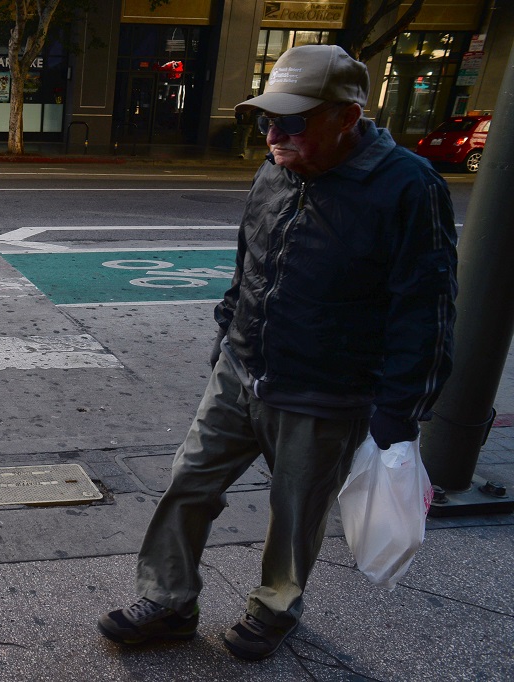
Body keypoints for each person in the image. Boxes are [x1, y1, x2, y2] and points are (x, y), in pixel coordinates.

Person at [97, 45, 457, 661]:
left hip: (325, 390)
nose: (273, 133)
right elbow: (250, 262)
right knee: (189, 483)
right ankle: (169, 599)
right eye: (267, 119)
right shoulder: (277, 169)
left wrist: (400, 411)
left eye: (291, 121)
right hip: (242, 369)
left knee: (295, 513)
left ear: (346, 117)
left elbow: (425, 311)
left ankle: (274, 608)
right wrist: (225, 333)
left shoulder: (408, 187)